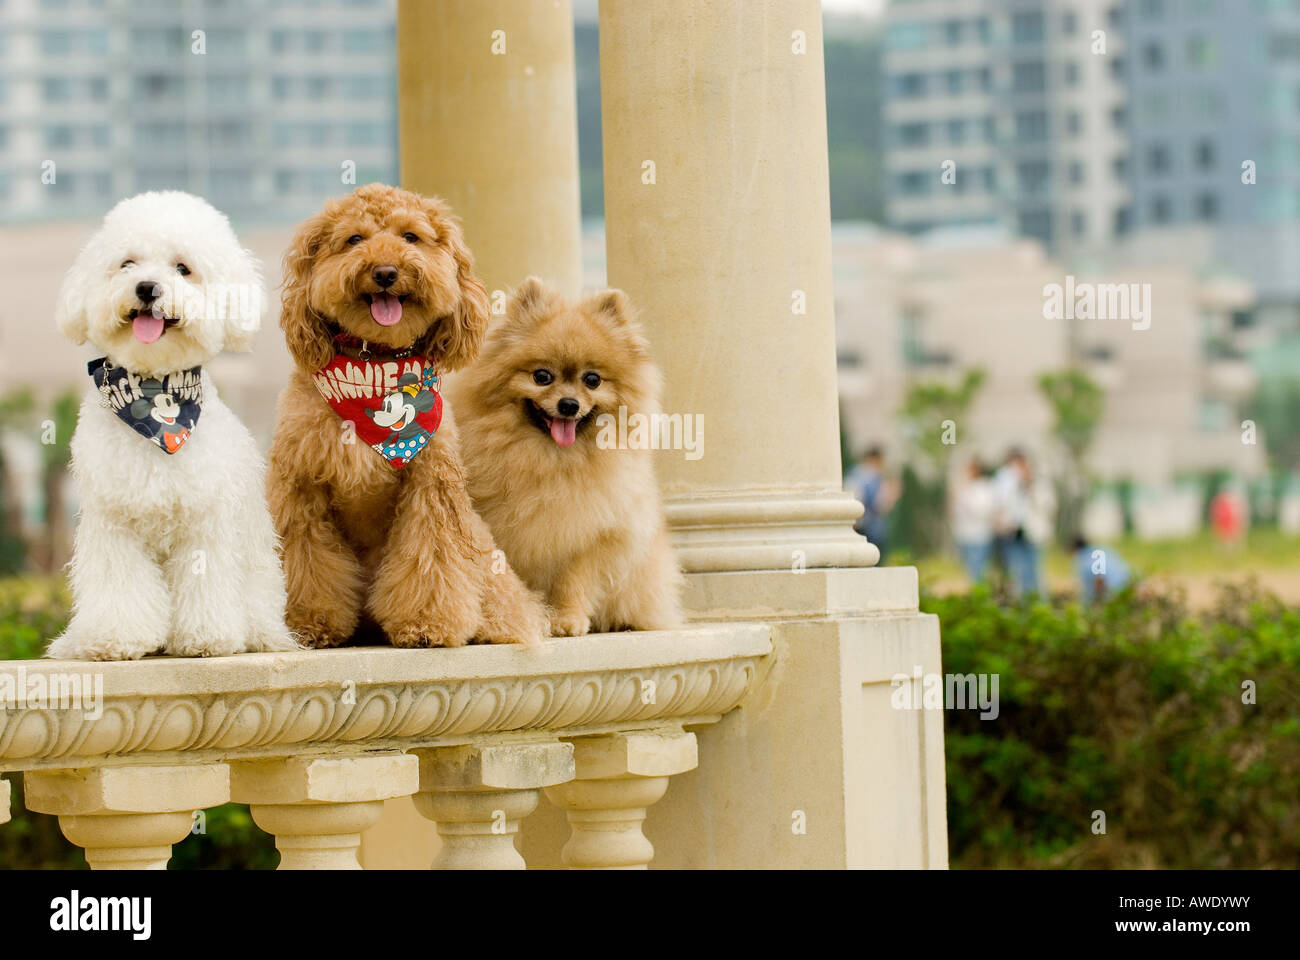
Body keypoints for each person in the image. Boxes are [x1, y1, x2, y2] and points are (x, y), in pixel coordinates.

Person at [993, 449, 1055, 597]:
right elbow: (1000, 506)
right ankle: (1022, 605)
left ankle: (1039, 603)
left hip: (1033, 536)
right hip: (1012, 535)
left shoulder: (1040, 484)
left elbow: (1048, 506)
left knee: (1035, 572)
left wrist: (1029, 486)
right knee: (1016, 572)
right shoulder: (1006, 484)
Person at [845, 446, 897, 560]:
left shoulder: (857, 475)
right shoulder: (866, 478)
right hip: (866, 528)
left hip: (864, 526)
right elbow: (879, 505)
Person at [951, 457, 995, 584]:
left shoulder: (984, 488)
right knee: (970, 572)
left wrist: (961, 499)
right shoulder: (967, 488)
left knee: (978, 571)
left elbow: (980, 512)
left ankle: (979, 597)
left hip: (979, 536)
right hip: (965, 535)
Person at [1071, 535, 1132, 603]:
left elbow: (1100, 580)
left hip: (1114, 590)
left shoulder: (1085, 560)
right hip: (1128, 583)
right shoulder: (1100, 549)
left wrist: (1097, 601)